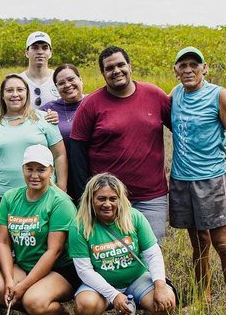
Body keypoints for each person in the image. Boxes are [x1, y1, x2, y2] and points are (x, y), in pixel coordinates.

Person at [168, 46, 226, 315]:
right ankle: (202, 298)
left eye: (195, 64)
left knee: (223, 244)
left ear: (205, 68)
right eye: (183, 65)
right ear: (175, 70)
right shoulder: (175, 95)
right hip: (181, 179)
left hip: (212, 179)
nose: (189, 69)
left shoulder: (218, 94)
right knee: (198, 244)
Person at [70, 46, 171, 243]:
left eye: (120, 65)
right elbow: (77, 154)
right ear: (103, 73)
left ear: (130, 66)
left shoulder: (155, 95)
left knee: (151, 251)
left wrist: (213, 146)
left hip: (150, 197)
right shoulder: (90, 104)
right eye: (109, 68)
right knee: (113, 256)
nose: (116, 71)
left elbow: (183, 129)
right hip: (107, 199)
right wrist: (86, 196)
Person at [69, 173, 176, 315]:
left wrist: (160, 285)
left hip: (136, 279)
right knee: (84, 307)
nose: (107, 204)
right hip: (99, 283)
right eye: (101, 198)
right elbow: (84, 270)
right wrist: (114, 295)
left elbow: (153, 254)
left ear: (120, 199)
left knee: (167, 302)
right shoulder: (79, 226)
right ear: (90, 199)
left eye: (113, 198)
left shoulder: (134, 217)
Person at [0, 145, 80, 315]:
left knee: (32, 301)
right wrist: (10, 281)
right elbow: (2, 242)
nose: (34, 175)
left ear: (51, 171)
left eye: (41, 170)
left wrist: (23, 286)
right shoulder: (10, 197)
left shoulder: (60, 202)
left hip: (59, 268)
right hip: (24, 264)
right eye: (29, 169)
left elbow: (55, 251)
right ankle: (35, 311)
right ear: (22, 169)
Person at [0, 74, 67, 217]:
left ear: (27, 93)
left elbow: (60, 155)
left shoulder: (44, 119)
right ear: (2, 95)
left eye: (20, 90)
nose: (15, 94)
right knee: (4, 238)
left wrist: (61, 189)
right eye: (9, 90)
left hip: (44, 194)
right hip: (3, 196)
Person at [40, 64, 86, 200]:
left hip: (89, 172)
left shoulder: (93, 102)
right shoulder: (48, 110)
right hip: (59, 177)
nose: (67, 85)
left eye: (71, 79)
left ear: (80, 79)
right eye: (61, 83)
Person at [19, 31, 59, 109]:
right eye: (35, 48)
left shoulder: (59, 79)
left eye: (44, 48)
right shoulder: (18, 80)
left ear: (50, 53)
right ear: (27, 53)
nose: (40, 52)